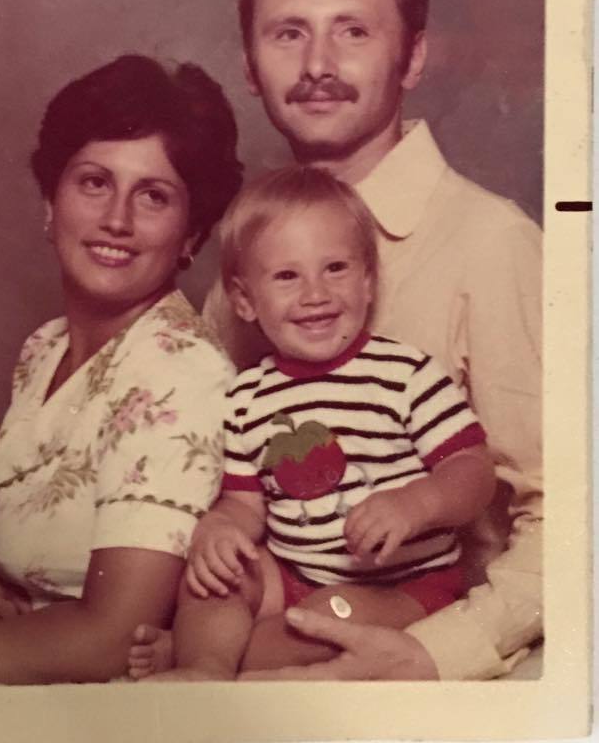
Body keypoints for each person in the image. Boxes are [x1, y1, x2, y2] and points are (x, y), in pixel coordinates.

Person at [131, 0, 541, 681]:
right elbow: (197, 473)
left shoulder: (493, 244)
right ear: (252, 65)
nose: (317, 65)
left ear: (412, 55)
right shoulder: (246, 257)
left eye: (352, 30)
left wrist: (433, 655)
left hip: (426, 651)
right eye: (288, 34)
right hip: (267, 632)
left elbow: (570, 514)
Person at [138, 166, 495, 680]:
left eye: (335, 269)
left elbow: (472, 469)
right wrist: (219, 530)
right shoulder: (247, 398)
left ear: (369, 281)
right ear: (244, 300)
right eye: (287, 276)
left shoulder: (404, 374)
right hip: (292, 572)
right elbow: (244, 504)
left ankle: (211, 655)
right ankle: (202, 667)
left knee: (327, 618)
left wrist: (416, 503)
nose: (315, 294)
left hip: (405, 587)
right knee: (215, 579)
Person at [0, 53, 243, 683]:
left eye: (153, 196)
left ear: (191, 235)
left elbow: (108, 639)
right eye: (94, 182)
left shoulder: (180, 371)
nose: (117, 220)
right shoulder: (44, 349)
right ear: (51, 199)